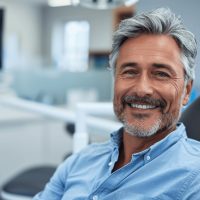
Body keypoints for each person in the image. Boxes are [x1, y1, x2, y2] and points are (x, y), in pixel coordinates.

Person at [33, 7, 200, 200]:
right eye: (129, 71)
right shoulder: (80, 161)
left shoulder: (194, 178)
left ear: (186, 91)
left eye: (161, 74)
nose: (142, 89)